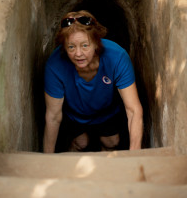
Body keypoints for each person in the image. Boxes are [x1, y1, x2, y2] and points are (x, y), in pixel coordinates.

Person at [43, 10, 143, 153]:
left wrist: (135, 154)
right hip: (74, 114)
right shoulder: (55, 65)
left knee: (112, 141)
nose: (78, 53)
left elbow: (133, 110)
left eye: (85, 45)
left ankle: (105, 172)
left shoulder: (117, 57)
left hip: (107, 111)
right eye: (71, 47)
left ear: (97, 43)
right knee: (81, 142)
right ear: (64, 46)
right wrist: (47, 159)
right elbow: (53, 116)